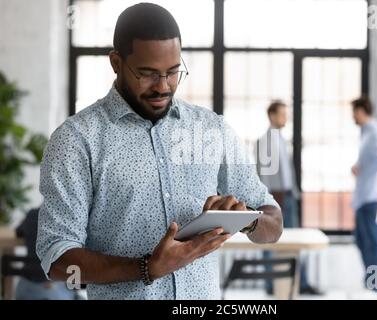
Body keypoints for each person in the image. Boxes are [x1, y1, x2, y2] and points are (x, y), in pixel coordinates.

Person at [36, 3, 282, 300]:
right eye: (147, 74)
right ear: (116, 62)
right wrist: (147, 267)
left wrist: (248, 219)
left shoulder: (211, 130)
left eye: (173, 72)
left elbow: (273, 223)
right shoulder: (76, 141)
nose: (163, 87)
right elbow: (57, 260)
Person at [256, 100, 321, 295]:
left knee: (294, 241)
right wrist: (270, 202)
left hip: (288, 196)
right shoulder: (265, 141)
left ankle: (297, 283)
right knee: (270, 238)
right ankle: (271, 284)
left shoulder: (280, 139)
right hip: (276, 198)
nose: (286, 117)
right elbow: (265, 176)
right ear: (272, 115)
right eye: (282, 114)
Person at [351, 96, 377, 291]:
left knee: (373, 242)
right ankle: (370, 278)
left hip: (372, 197)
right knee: (360, 240)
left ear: (361, 111)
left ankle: (374, 284)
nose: (353, 116)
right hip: (361, 197)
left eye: (354, 112)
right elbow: (370, 160)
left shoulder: (375, 131)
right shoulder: (364, 133)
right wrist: (358, 168)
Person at [14, 207, 79, 300]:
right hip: (56, 291)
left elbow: (18, 232)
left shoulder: (32, 214)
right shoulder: (69, 218)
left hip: (27, 289)